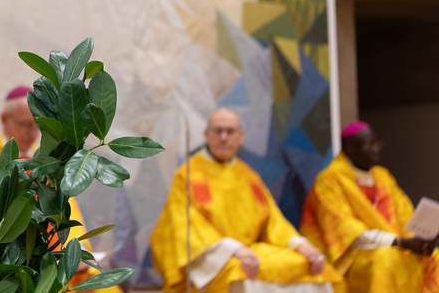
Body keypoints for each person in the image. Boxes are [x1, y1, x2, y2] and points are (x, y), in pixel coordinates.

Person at [151, 107, 342, 293]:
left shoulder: (248, 176)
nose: (223, 137)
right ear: (206, 135)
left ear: (240, 136)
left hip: (250, 250)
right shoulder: (188, 175)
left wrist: (301, 245)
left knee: (308, 265)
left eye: (230, 132)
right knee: (238, 270)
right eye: (217, 131)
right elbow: (186, 225)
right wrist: (233, 250)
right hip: (214, 254)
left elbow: (273, 220)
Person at [0, 86, 121, 293]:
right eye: (25, 124)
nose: (32, 133)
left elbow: (66, 209)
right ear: (4, 119)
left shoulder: (46, 161)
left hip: (55, 250)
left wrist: (76, 249)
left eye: (36, 126)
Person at [300, 121, 439, 292]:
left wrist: (422, 241)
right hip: (351, 257)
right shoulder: (329, 180)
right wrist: (400, 242)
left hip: (397, 247)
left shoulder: (382, 176)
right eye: (368, 145)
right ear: (350, 148)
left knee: (435, 257)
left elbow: (405, 217)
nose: (375, 149)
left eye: (376, 143)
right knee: (384, 259)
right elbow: (346, 233)